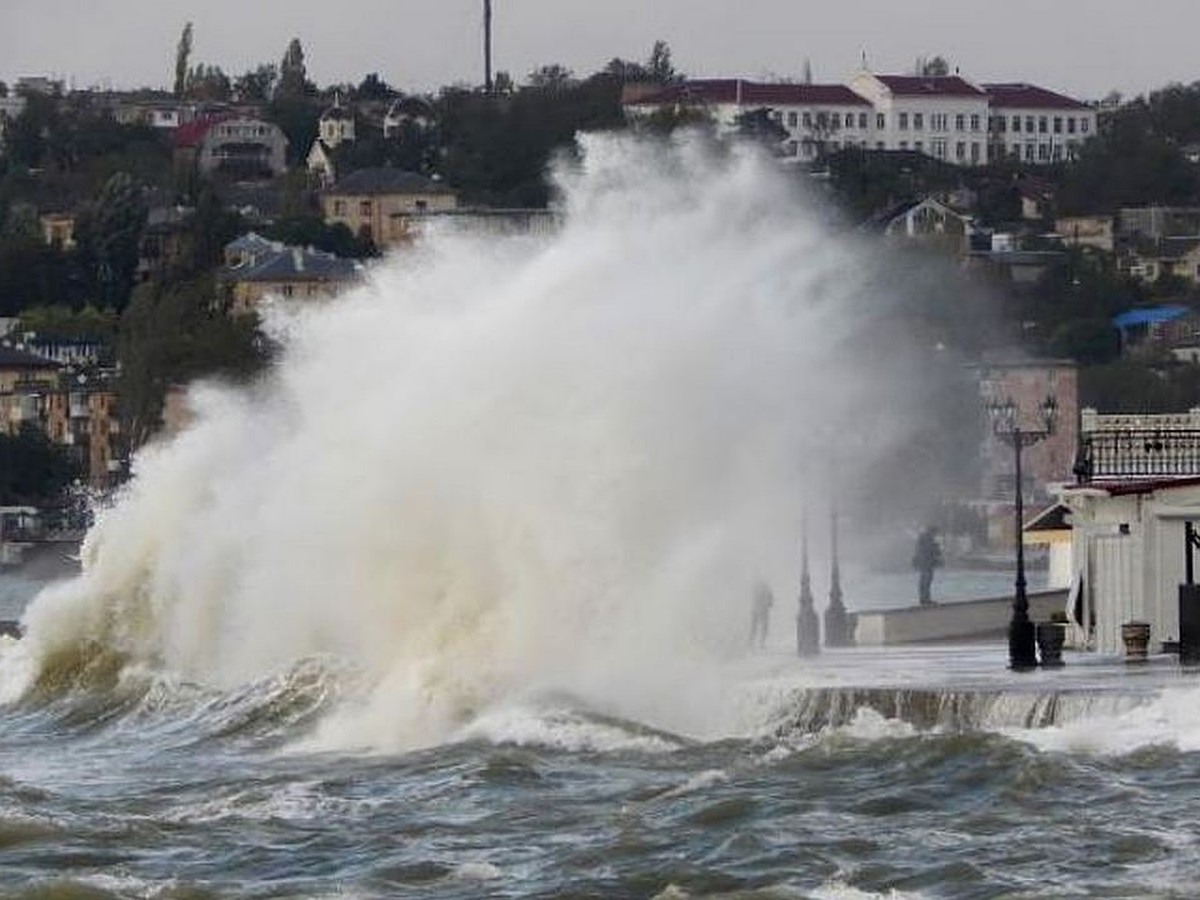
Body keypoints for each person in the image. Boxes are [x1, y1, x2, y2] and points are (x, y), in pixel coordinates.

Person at [912, 526, 943, 606]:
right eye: (935, 533)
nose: (936, 535)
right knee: (926, 581)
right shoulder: (928, 539)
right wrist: (937, 549)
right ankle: (925, 599)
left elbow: (920, 551)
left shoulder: (923, 539)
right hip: (927, 563)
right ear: (932, 532)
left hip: (924, 563)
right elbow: (931, 550)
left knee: (924, 581)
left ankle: (924, 599)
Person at [749, 581, 774, 649]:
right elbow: (770, 602)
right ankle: (761, 643)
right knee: (764, 627)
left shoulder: (755, 588)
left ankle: (751, 642)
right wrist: (769, 603)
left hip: (755, 610)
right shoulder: (767, 588)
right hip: (763, 610)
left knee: (754, 627)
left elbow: (750, 598)